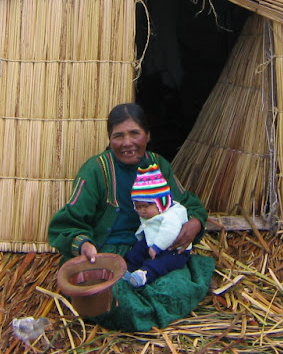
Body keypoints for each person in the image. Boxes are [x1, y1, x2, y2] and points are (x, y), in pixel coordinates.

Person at [47, 103, 213, 331]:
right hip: (105, 254)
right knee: (113, 298)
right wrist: (84, 244)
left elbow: (189, 203)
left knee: (177, 286)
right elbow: (66, 224)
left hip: (152, 251)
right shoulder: (96, 170)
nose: (127, 143)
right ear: (109, 139)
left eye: (134, 133)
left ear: (147, 135)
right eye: (118, 136)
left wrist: (194, 223)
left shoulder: (158, 165)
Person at [123, 163, 192, 288]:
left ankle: (145, 274)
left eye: (146, 206)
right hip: (152, 241)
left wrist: (157, 247)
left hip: (174, 249)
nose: (142, 210)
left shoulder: (172, 215)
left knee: (162, 263)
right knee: (137, 250)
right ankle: (128, 268)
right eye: (138, 207)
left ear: (161, 202)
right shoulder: (153, 213)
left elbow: (169, 232)